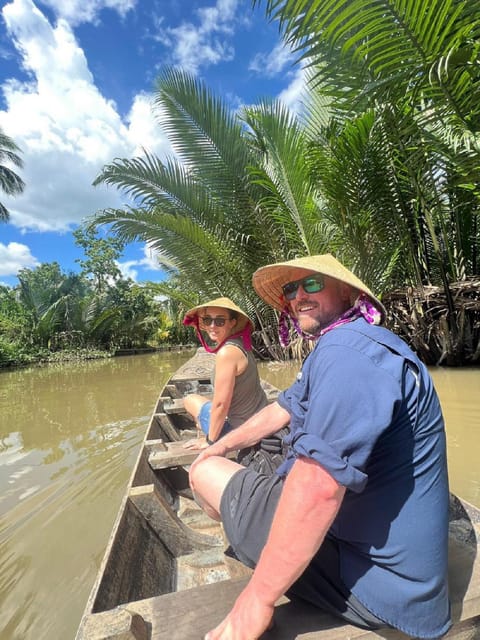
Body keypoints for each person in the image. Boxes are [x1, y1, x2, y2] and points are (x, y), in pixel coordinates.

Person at [189, 254, 451, 640]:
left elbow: (319, 487)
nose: (298, 297)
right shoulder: (344, 343)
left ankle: (246, 536)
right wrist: (221, 445)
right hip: (384, 557)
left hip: (384, 587)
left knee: (203, 474)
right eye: (291, 289)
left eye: (312, 284)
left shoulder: (347, 354)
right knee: (218, 460)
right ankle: (248, 523)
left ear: (346, 291)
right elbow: (282, 408)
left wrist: (256, 600)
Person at [182, 297, 268, 450]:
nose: (212, 326)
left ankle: (206, 433)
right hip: (259, 420)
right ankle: (204, 427)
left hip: (240, 431)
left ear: (232, 323)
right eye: (208, 320)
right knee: (191, 399)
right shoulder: (241, 344)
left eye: (220, 321)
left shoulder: (227, 353)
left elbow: (221, 405)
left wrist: (210, 442)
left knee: (189, 400)